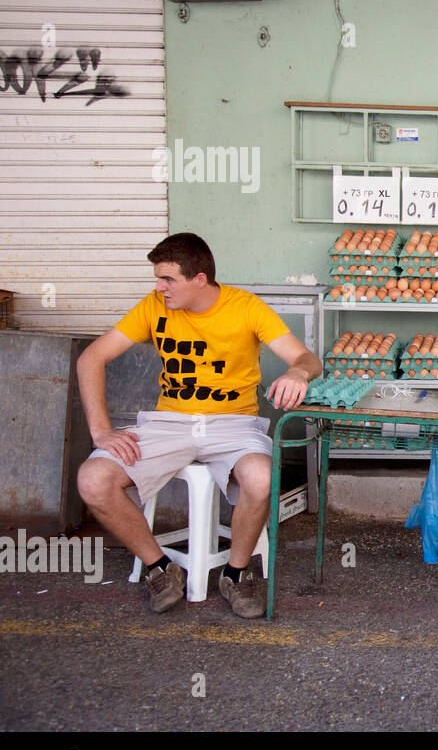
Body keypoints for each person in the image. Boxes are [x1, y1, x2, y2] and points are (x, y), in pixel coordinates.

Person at [75, 233, 322, 617]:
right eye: (157, 278)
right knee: (92, 480)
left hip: (233, 423)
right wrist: (101, 430)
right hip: (169, 422)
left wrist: (297, 374)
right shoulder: (152, 307)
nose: (159, 288)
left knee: (261, 477)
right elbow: (91, 359)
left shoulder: (245, 308)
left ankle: (236, 574)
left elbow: (307, 358)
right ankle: (159, 568)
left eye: (168, 279)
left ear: (200, 279)